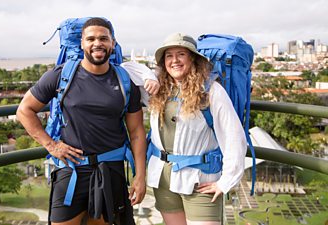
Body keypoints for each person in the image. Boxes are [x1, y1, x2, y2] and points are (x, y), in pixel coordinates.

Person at [17, 17, 156, 225]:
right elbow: (24, 110)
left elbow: (136, 133)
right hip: (71, 170)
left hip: (110, 170)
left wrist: (139, 177)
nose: (97, 43)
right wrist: (51, 145)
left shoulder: (125, 81)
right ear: (82, 43)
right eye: (90, 38)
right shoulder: (61, 75)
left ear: (113, 43)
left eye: (103, 38)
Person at [146, 33, 247, 225]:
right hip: (164, 179)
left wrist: (226, 181)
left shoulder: (211, 91)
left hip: (200, 179)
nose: (174, 60)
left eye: (181, 54)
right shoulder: (159, 90)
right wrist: (147, 76)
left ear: (193, 58)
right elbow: (126, 69)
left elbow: (233, 135)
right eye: (169, 55)